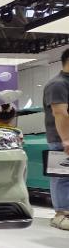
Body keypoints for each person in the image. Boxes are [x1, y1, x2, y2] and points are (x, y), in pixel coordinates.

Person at [43, 48, 69, 230]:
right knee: (62, 176)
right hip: (61, 139)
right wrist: (66, 139)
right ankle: (61, 214)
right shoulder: (57, 84)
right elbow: (59, 112)